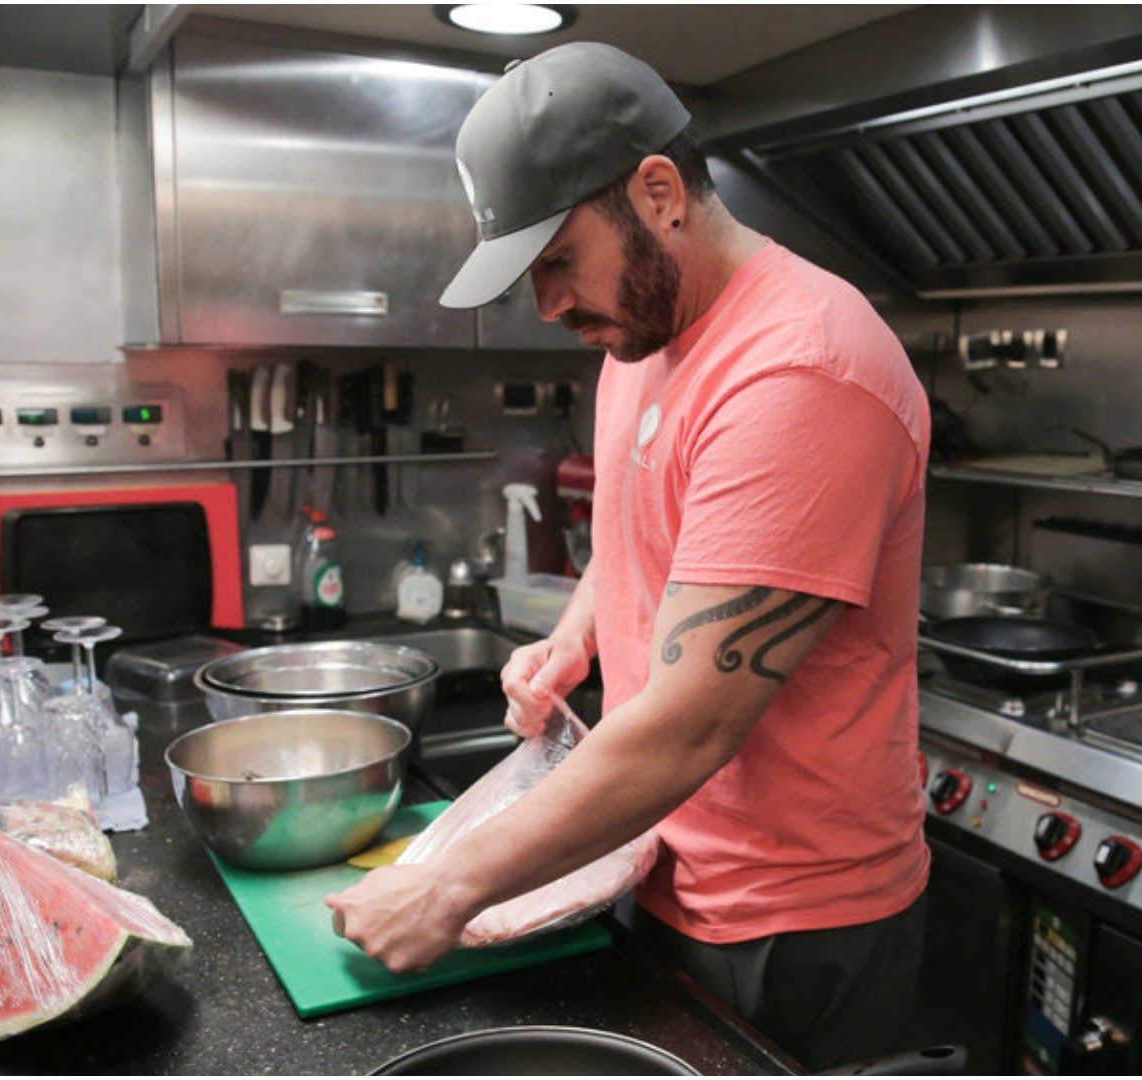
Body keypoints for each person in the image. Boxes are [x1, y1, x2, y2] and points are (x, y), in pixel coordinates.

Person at [325, 42, 932, 1070]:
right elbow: (643, 533)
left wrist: (448, 883)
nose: (549, 306)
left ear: (658, 193)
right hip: (658, 859)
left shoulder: (799, 371)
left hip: (790, 914)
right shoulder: (643, 338)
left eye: (557, 260)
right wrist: (575, 636)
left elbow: (690, 725)